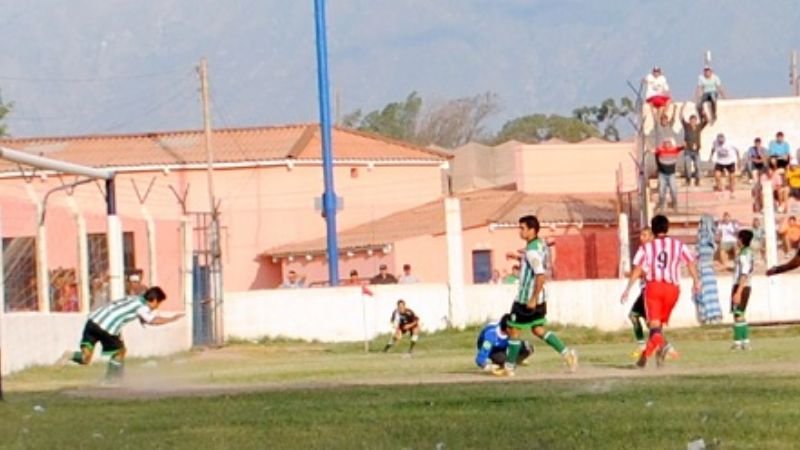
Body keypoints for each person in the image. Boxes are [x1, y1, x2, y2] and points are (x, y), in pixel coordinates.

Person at [494, 215, 577, 377]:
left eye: (522, 228)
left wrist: (532, 298)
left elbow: (540, 274)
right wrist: (518, 257)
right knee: (538, 329)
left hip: (527, 298)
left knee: (513, 329)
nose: (520, 231)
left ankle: (509, 367)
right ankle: (568, 353)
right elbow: (536, 263)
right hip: (541, 297)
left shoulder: (531, 250)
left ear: (532, 230)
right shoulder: (540, 244)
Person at [621, 215, 701, 368]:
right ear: (667, 228)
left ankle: (665, 347)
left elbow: (638, 268)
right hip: (673, 290)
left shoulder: (647, 248)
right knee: (656, 327)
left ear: (653, 229)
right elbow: (690, 262)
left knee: (654, 327)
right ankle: (647, 358)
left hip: (654, 288)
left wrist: (628, 288)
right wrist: (696, 282)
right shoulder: (678, 245)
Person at [58, 287, 184, 381]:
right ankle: (111, 380)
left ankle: (70, 355)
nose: (156, 307)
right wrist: (172, 319)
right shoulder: (143, 306)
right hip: (107, 328)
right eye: (158, 304)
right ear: (154, 300)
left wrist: (141, 318)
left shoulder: (134, 298)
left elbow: (130, 311)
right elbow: (152, 320)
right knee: (120, 351)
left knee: (86, 359)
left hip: (92, 321)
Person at [627, 228, 653, 356]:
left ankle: (643, 348)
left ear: (651, 237)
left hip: (648, 289)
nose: (641, 237)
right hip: (652, 289)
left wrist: (637, 274)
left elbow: (640, 270)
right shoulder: (656, 250)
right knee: (650, 323)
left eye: (645, 235)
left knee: (633, 315)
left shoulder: (643, 251)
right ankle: (665, 349)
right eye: (641, 235)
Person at [730, 230, 754, 351]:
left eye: (738, 238)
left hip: (741, 285)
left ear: (741, 239)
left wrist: (738, 291)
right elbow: (741, 270)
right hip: (746, 286)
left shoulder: (744, 254)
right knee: (741, 313)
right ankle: (745, 342)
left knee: (737, 314)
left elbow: (744, 273)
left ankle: (737, 343)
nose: (737, 240)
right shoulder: (748, 252)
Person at [680, 104, 708, 187]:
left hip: (696, 151)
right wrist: (682, 109)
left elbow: (706, 121)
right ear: (690, 121)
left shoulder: (699, 127)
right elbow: (681, 118)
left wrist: (704, 112)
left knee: (698, 167)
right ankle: (688, 180)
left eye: (694, 120)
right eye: (691, 120)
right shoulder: (687, 126)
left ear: (696, 121)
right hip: (688, 151)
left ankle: (697, 181)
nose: (693, 122)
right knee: (688, 168)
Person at [655, 138, 683, 211]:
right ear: (664, 144)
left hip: (671, 174)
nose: (667, 145)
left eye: (669, 143)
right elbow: (653, 152)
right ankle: (661, 204)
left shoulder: (675, 150)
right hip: (662, 174)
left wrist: (686, 145)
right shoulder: (660, 150)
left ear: (671, 144)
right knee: (661, 191)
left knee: (673, 190)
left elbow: (682, 147)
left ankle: (674, 203)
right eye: (666, 143)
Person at [709, 133, 740, 198]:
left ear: (724, 140)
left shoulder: (730, 143)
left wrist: (738, 159)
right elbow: (713, 149)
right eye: (719, 142)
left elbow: (737, 150)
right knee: (717, 175)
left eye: (722, 142)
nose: (720, 143)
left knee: (732, 176)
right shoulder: (715, 142)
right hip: (720, 161)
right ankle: (720, 188)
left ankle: (732, 190)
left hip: (730, 161)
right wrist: (711, 157)